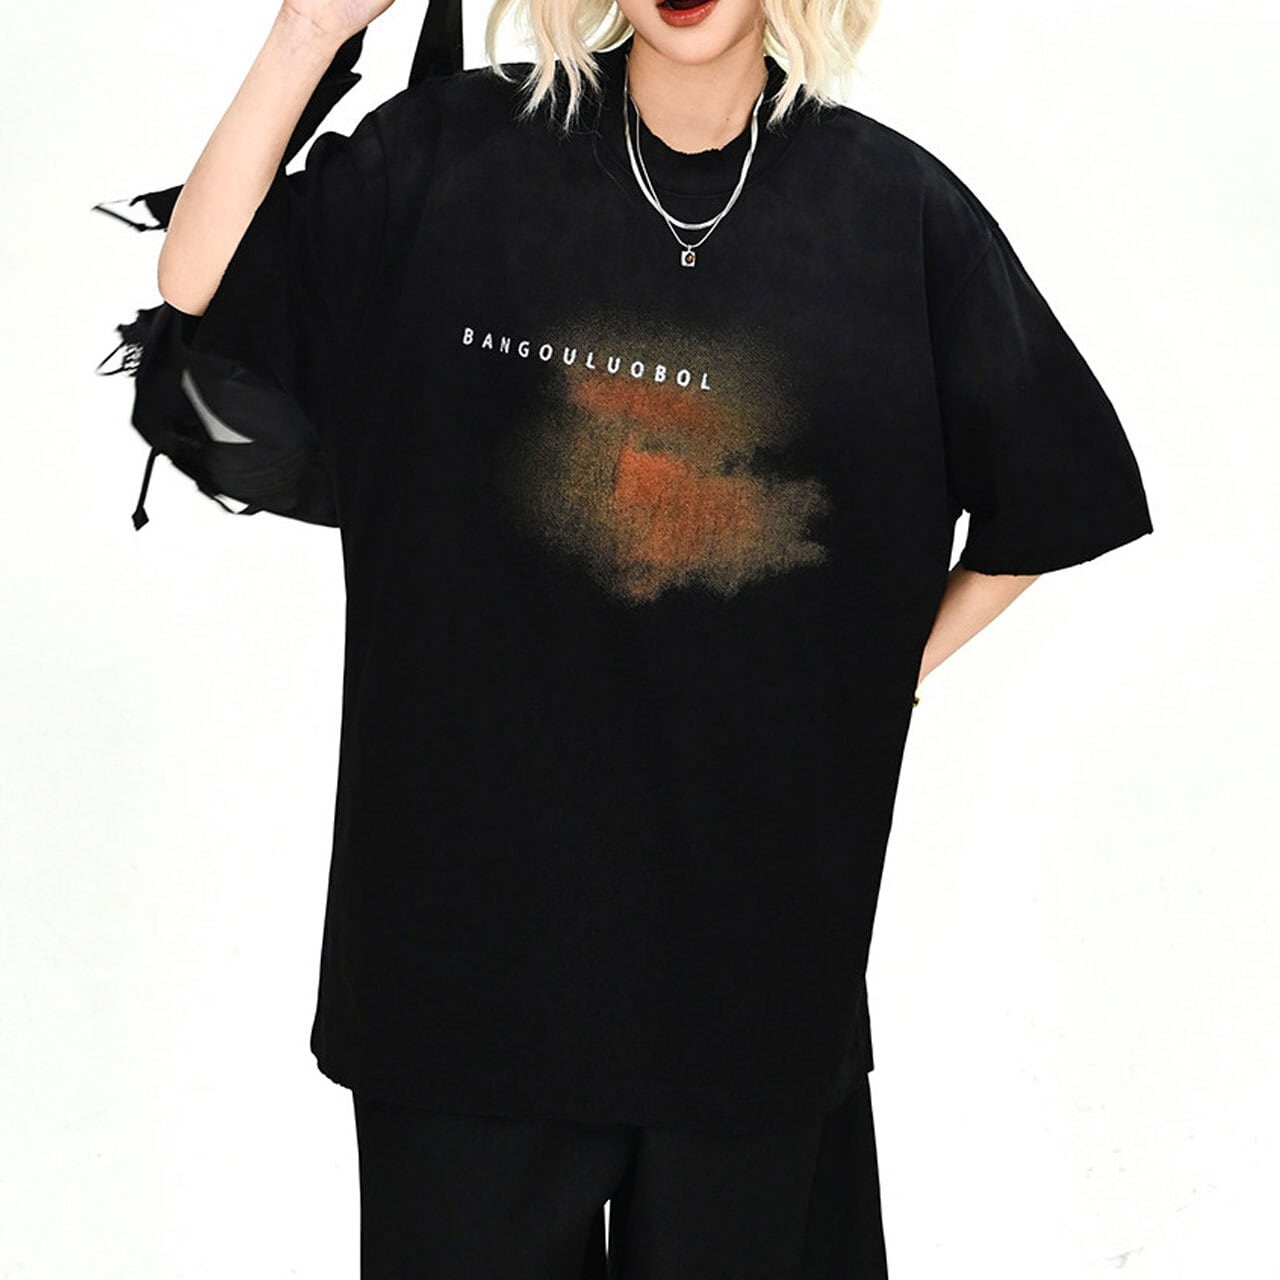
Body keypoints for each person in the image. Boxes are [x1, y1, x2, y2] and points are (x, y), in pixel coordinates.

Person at [151, 0, 1154, 1273]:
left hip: (748, 962)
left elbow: (1053, 490)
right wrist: (306, 30)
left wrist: (864, 672)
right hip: (458, 962)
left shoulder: (894, 212)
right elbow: (201, 283)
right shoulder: (451, 152)